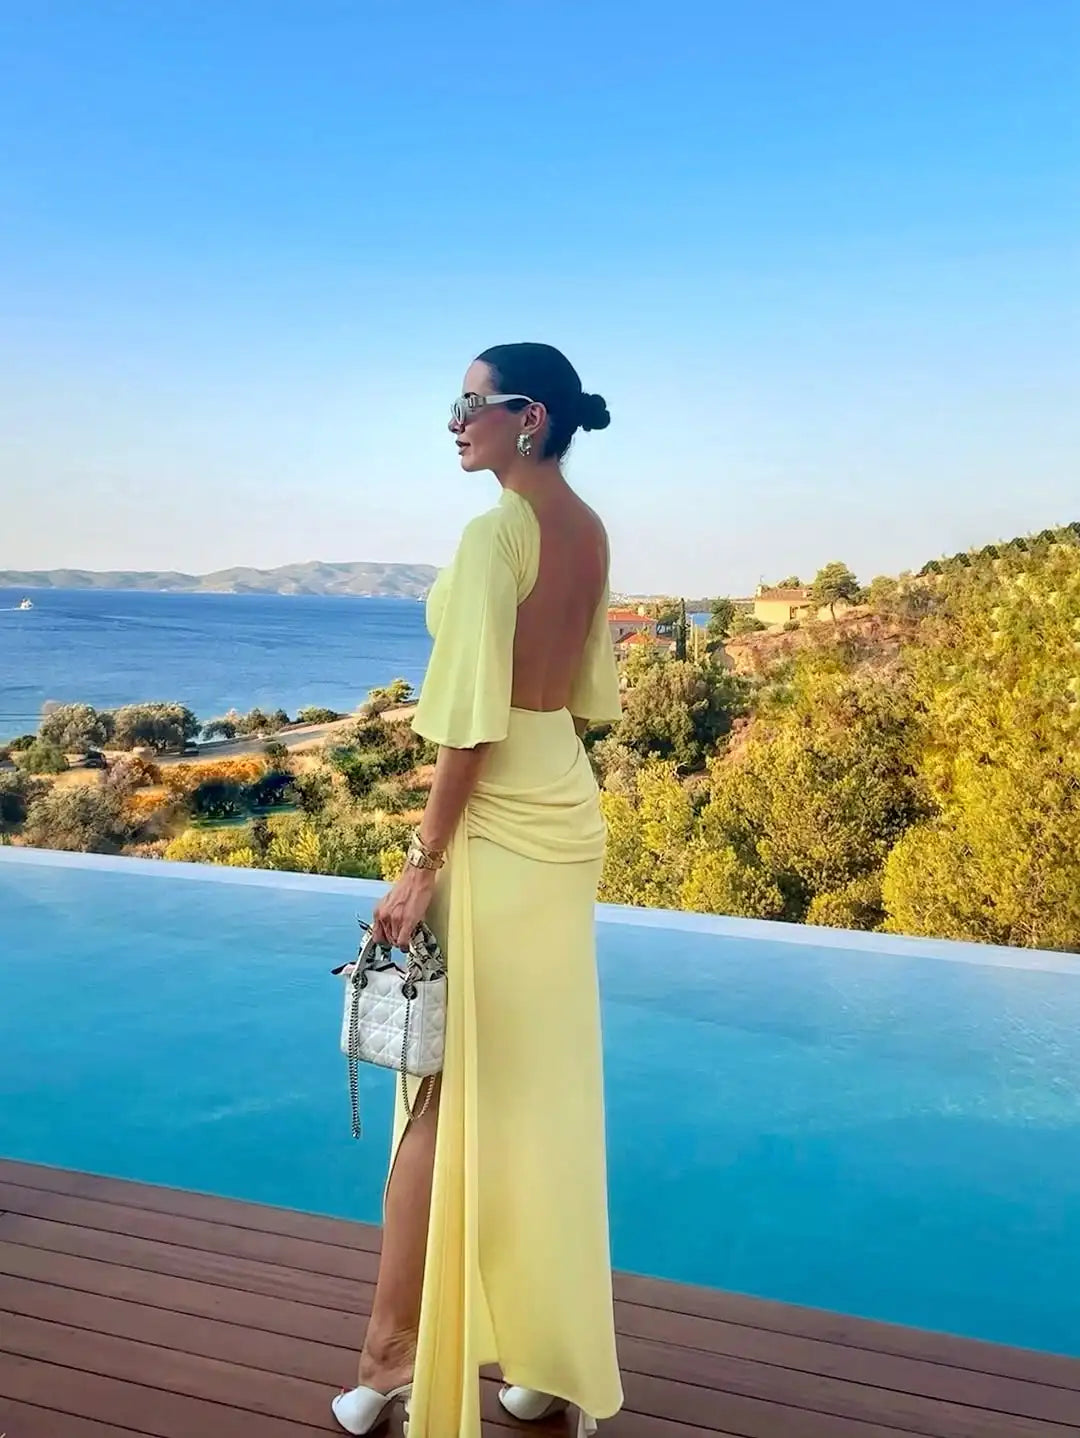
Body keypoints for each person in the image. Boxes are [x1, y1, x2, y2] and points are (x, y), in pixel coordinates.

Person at [332, 343, 625, 1438]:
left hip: (496, 816)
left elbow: (469, 720)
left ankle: (389, 1357)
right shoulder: (587, 528)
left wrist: (421, 860)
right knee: (541, 1088)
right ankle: (548, 1355)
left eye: (471, 404)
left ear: (528, 416)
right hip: (563, 803)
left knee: (440, 1090)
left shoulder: (495, 532)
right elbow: (581, 692)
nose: (454, 422)